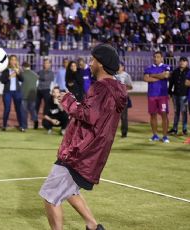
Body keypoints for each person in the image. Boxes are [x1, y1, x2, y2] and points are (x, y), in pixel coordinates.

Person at [39, 44, 127, 230]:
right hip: (90, 152)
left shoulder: (102, 88)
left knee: (50, 196)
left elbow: (89, 115)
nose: (90, 63)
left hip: (80, 152)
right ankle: (93, 226)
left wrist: (68, 100)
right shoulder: (115, 88)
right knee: (70, 190)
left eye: (93, 60)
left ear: (101, 64)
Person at [144, 51, 171, 143]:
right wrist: (160, 76)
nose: (156, 58)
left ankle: (165, 136)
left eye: (158, 57)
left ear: (162, 58)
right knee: (153, 115)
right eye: (155, 57)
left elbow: (166, 75)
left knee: (164, 115)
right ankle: (155, 135)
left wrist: (153, 76)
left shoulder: (166, 67)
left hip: (162, 95)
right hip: (151, 95)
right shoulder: (148, 67)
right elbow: (146, 78)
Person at [0, 55, 26, 132]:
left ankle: (21, 126)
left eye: (15, 60)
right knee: (7, 109)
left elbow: (22, 79)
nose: (13, 61)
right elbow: (2, 80)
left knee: (19, 109)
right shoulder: (5, 70)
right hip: (7, 92)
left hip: (17, 92)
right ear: (9, 61)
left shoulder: (18, 70)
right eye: (12, 60)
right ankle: (4, 125)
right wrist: (9, 77)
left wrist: (18, 72)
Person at [168, 56, 190, 136]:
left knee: (184, 113)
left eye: (184, 61)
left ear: (187, 63)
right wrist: (169, 92)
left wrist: (189, 95)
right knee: (176, 112)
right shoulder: (175, 71)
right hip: (175, 95)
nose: (182, 62)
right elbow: (171, 83)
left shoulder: (189, 72)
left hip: (184, 95)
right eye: (181, 61)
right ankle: (174, 129)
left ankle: (184, 129)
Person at [115, 62, 133, 138]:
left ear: (123, 67)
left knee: (124, 117)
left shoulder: (126, 75)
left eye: (119, 66)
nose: (118, 68)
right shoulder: (113, 75)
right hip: (114, 98)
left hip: (123, 98)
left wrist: (123, 87)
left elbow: (131, 87)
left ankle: (124, 133)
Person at [36, 59, 55, 128]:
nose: (45, 64)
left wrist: (38, 77)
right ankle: (36, 123)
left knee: (46, 107)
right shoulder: (40, 71)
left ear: (50, 64)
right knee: (36, 107)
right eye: (44, 63)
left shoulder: (51, 72)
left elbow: (45, 78)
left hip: (47, 90)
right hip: (39, 90)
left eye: (47, 63)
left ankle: (45, 123)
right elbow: (36, 78)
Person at [20, 62, 39, 129]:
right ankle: (35, 120)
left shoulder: (22, 74)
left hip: (24, 95)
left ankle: (24, 126)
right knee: (33, 110)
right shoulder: (35, 74)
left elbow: (20, 84)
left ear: (23, 67)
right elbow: (37, 84)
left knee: (24, 111)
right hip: (32, 95)